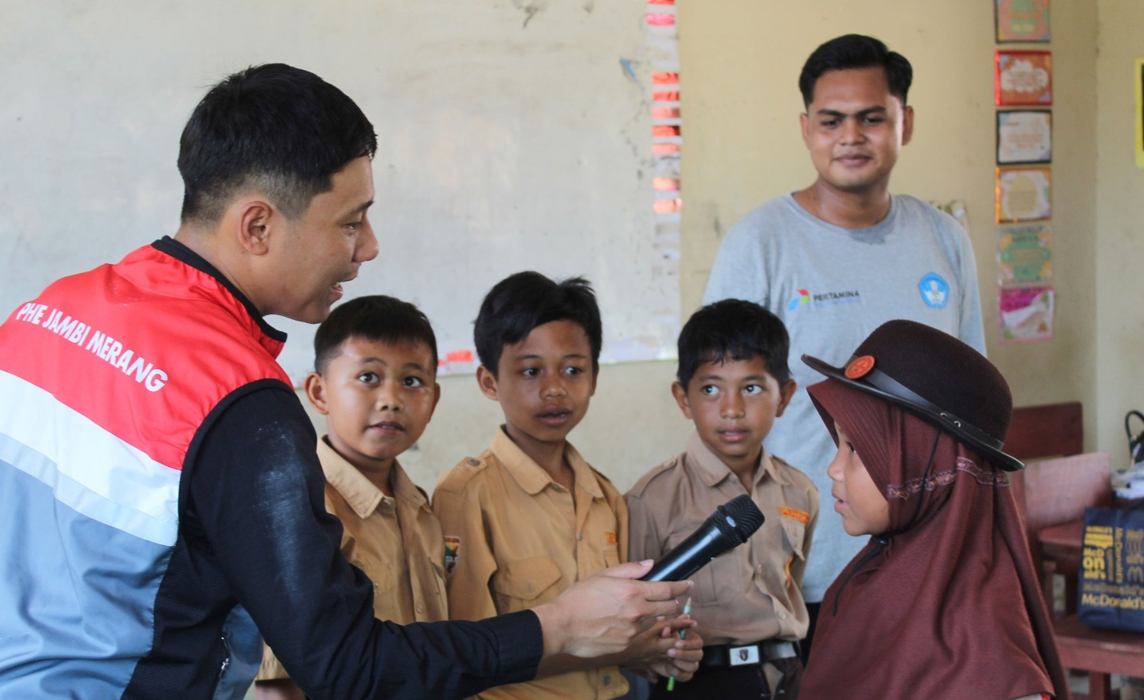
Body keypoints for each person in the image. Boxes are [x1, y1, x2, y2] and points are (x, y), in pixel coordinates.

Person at [0, 64, 694, 700]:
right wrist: (560, 628)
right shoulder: (241, 403)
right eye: (351, 222)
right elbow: (348, 666)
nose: (369, 248)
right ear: (257, 225)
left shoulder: (47, 313)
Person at [702, 34, 986, 649]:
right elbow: (720, 409)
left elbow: (973, 412)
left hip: (928, 564)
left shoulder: (944, 239)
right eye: (832, 121)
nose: (850, 137)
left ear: (904, 123)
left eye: (871, 118)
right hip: (802, 565)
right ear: (807, 129)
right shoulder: (760, 245)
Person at [433, 272, 702, 700]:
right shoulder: (467, 494)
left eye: (573, 369)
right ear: (489, 382)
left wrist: (659, 651)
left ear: (594, 377)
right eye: (530, 371)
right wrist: (621, 648)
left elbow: (623, 632)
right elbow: (473, 653)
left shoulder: (606, 496)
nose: (555, 388)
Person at [797, 320, 1068, 700]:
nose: (834, 469)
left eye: (856, 448)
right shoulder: (863, 586)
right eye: (839, 445)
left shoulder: (990, 669)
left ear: (924, 462)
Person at [254, 295, 451, 699]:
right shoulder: (301, 509)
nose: (391, 399)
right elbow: (279, 683)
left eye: (412, 381)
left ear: (433, 401)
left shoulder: (423, 510)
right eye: (368, 378)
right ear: (319, 392)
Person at [627, 299, 818, 700]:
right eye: (711, 388)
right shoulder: (651, 499)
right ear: (683, 399)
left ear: (783, 397)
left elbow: (790, 586)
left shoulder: (799, 490)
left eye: (752, 388)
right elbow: (632, 617)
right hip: (701, 683)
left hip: (788, 676)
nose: (732, 410)